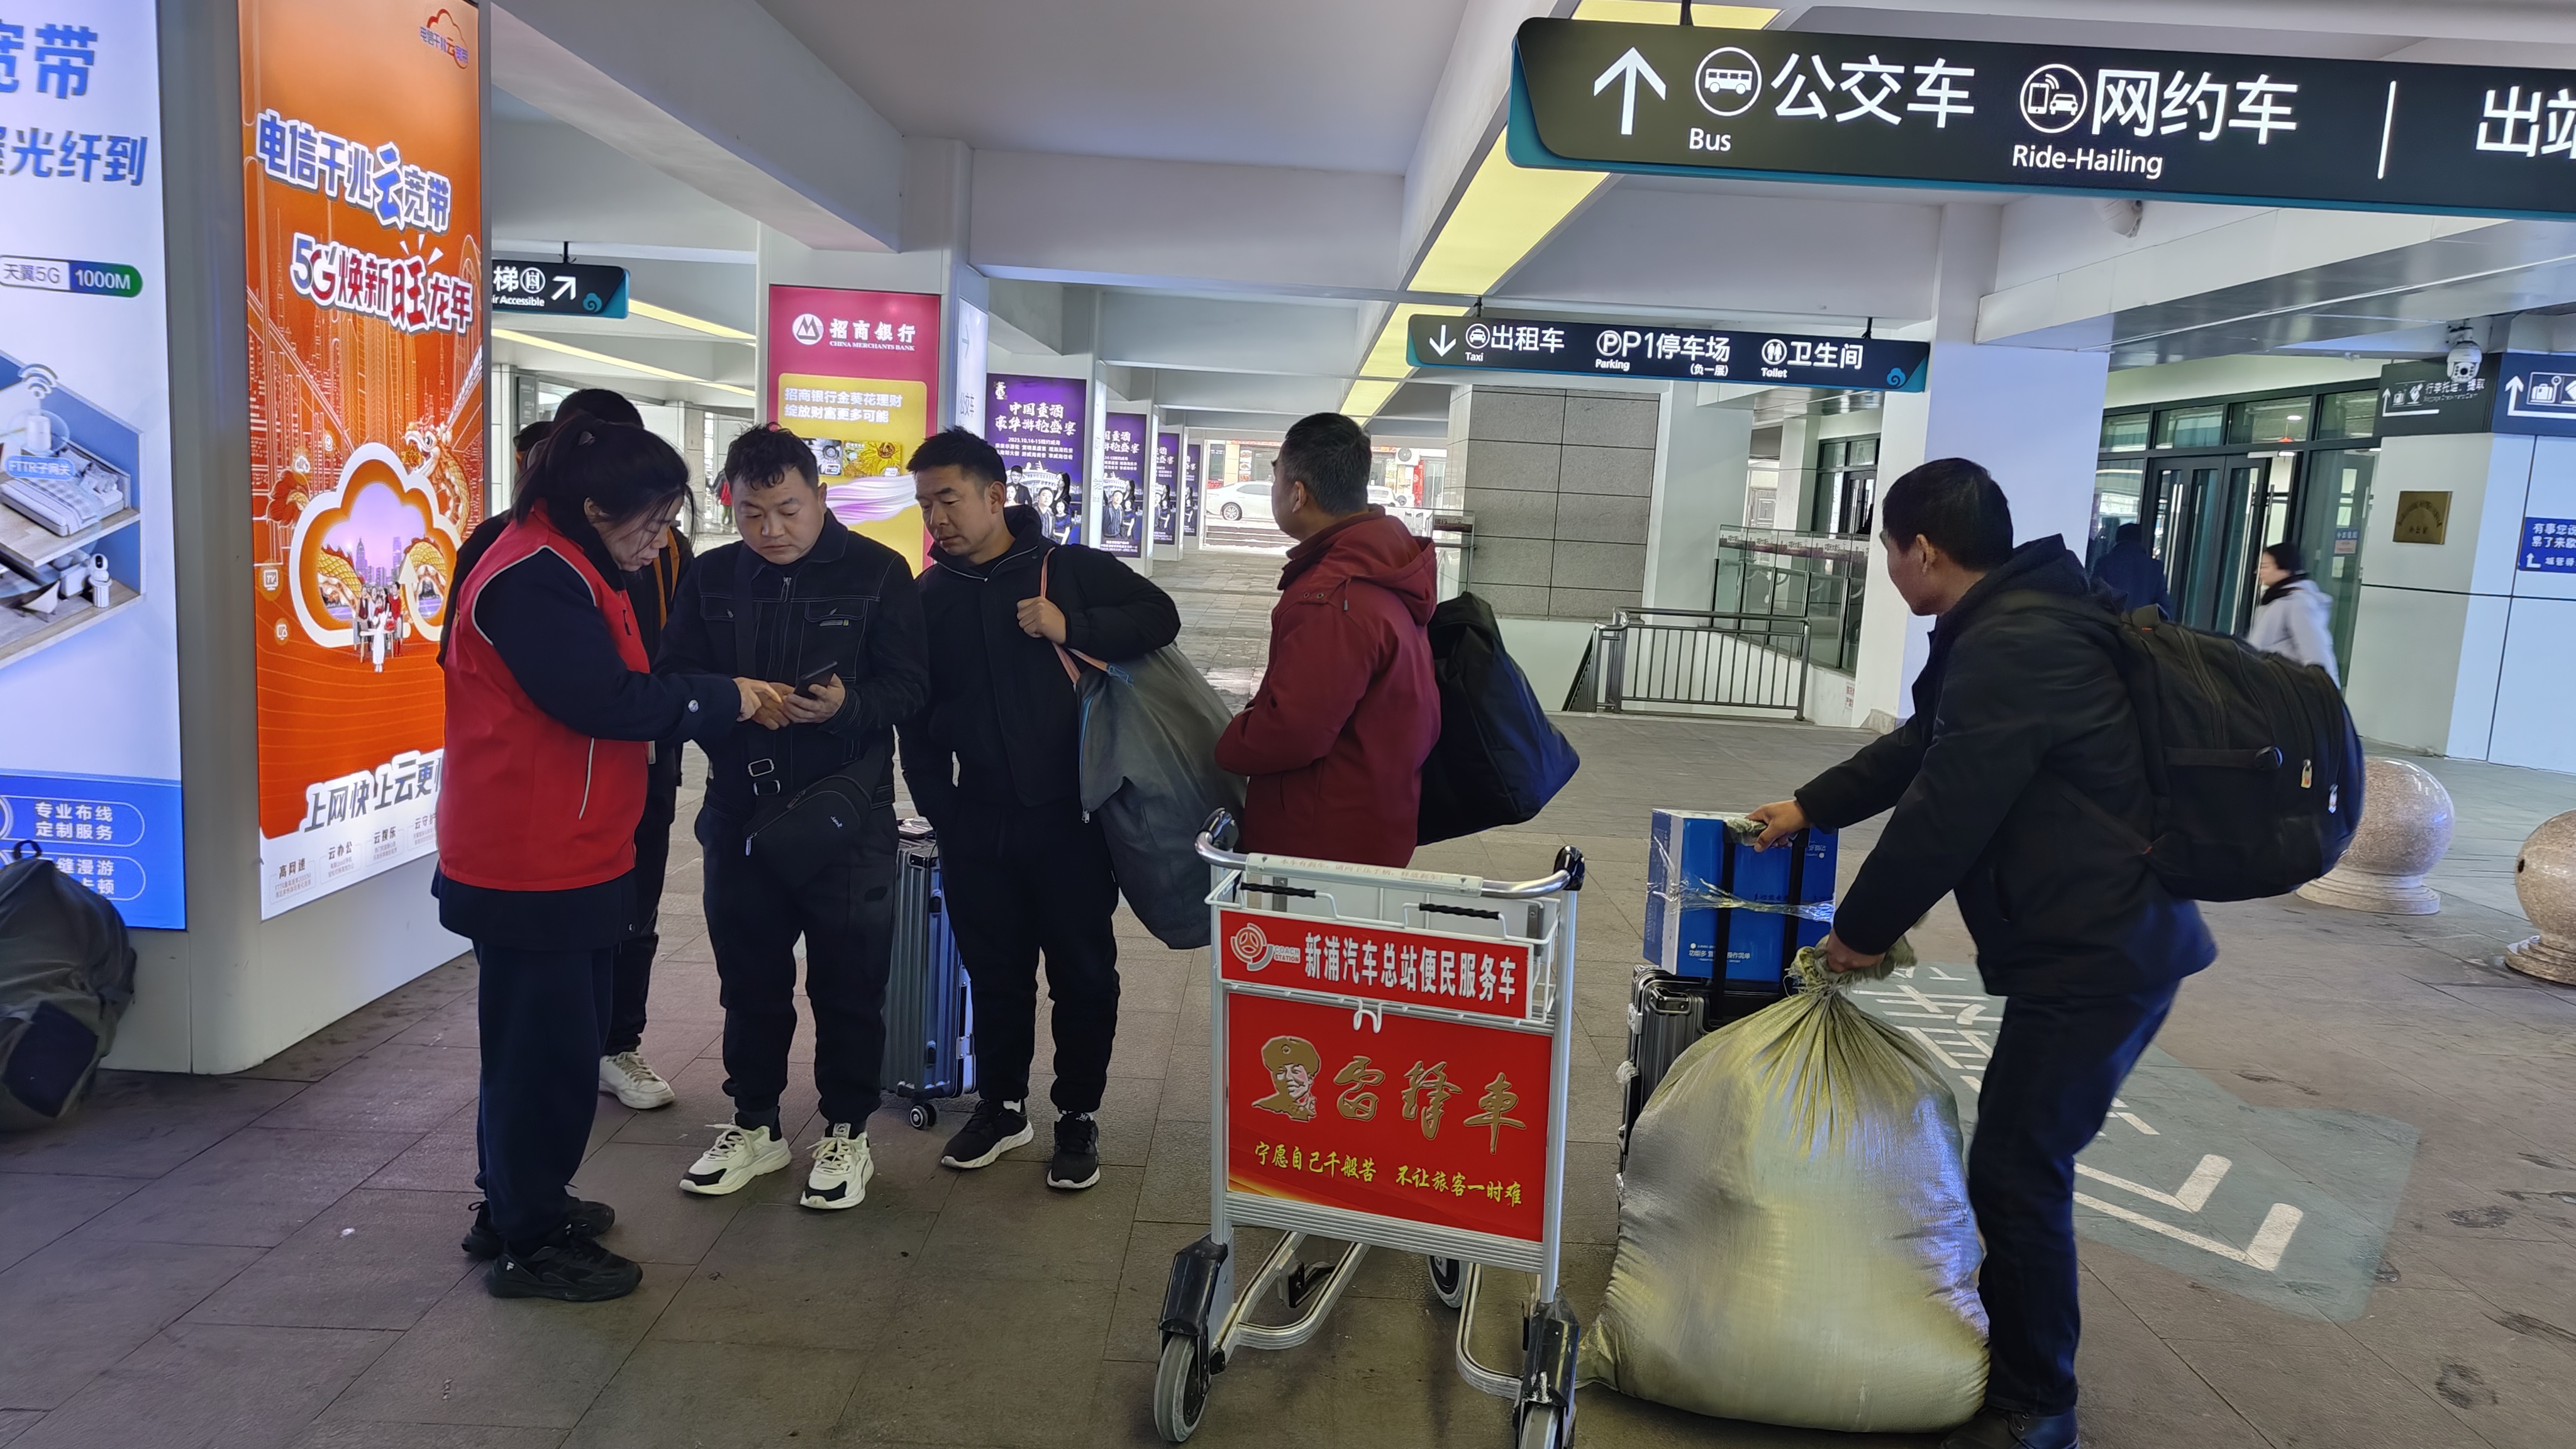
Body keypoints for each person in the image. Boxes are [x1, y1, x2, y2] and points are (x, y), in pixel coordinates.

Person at [1745, 458, 2214, 1449]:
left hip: (2098, 951)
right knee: (2017, 1157)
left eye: (1887, 551)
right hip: (2098, 939)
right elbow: (1926, 745)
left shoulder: (2015, 642)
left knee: (2016, 1166)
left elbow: (1947, 810)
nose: (1888, 570)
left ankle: (2038, 1405)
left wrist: (1859, 934)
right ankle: (2017, 1365)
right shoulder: (2021, 622)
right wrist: (1811, 806)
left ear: (1923, 550)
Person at [436, 421, 777, 1302]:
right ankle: (530, 1241)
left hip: (573, 847)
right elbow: (604, 700)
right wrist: (724, 698)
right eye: (651, 523)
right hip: (529, 856)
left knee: (552, 1044)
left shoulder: (574, 562)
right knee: (542, 1058)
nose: (660, 542)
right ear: (593, 507)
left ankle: (517, 1203)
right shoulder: (533, 577)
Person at [657, 425, 930, 1209]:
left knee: (849, 983)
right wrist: (732, 701)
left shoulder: (878, 572)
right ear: (730, 505)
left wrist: (848, 707)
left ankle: (846, 1131)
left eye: (787, 511)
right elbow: (673, 680)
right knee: (749, 982)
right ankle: (755, 1124)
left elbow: (912, 690)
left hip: (845, 818)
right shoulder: (711, 576)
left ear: (820, 496)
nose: (771, 530)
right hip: (739, 811)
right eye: (752, 514)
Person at [901, 426, 1179, 1191]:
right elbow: (915, 722)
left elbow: (1158, 616)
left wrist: (1070, 626)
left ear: (995, 496)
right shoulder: (929, 597)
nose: (937, 519)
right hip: (978, 819)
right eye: (925, 505)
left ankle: (1077, 1115)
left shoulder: (1070, 569)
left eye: (948, 499)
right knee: (994, 974)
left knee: (1083, 975)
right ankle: (1001, 1107)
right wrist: (944, 813)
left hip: (1071, 819)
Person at [1212, 412, 1438, 869]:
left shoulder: (1332, 600)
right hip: (1372, 818)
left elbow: (1294, 732)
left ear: (1298, 494)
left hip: (1318, 844)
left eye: (1275, 475)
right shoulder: (1383, 564)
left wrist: (1225, 742)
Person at [2247, 541, 2338, 684]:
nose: (2258, 572)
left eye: (2264, 566)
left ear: (2284, 569)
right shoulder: (2279, 599)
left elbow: (2316, 653)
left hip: (2284, 687)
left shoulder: (2298, 603)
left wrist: (2327, 689)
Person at [2089, 521, 2172, 618]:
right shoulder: (2155, 567)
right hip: (2142, 623)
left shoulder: (2104, 562)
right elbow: (2165, 608)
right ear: (2140, 540)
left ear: (2117, 538)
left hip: (2110, 622)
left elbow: (2094, 597)